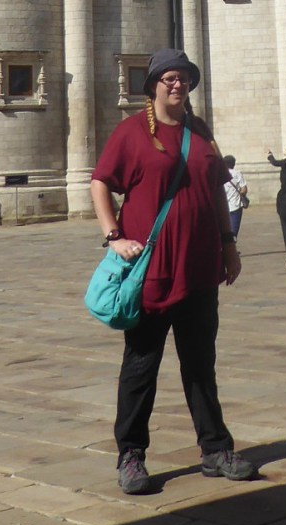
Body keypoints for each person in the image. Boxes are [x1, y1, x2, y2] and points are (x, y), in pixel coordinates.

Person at [90, 48, 257, 495]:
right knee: (141, 366)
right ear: (153, 86)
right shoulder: (131, 132)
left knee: (201, 364)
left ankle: (215, 448)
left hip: (199, 268)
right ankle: (131, 454)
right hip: (153, 273)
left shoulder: (199, 132)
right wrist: (113, 236)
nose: (177, 84)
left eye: (183, 77)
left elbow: (217, 191)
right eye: (169, 77)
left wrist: (229, 245)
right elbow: (100, 182)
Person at [223, 155, 248, 239]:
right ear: (233, 164)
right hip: (236, 205)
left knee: (224, 231)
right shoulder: (237, 173)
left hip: (223, 207)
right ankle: (233, 243)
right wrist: (241, 193)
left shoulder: (219, 174)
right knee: (234, 231)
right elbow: (244, 189)